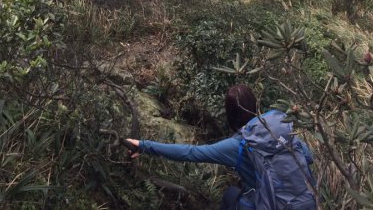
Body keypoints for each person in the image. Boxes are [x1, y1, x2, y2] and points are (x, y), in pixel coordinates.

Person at [126, 84, 316, 209]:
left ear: (230, 114)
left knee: (230, 196)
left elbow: (191, 153)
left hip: (275, 205)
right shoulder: (278, 126)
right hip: (308, 201)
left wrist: (144, 146)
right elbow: (308, 157)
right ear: (255, 103)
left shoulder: (238, 145)